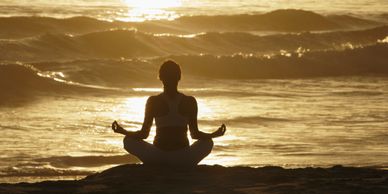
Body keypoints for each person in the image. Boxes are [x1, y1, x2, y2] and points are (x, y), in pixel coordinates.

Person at [112, 60, 226, 166]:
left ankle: (157, 164)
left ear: (161, 77)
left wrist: (123, 131)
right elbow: (195, 134)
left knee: (127, 140)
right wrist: (214, 134)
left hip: (158, 157)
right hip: (184, 158)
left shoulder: (153, 101)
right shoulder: (189, 101)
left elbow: (144, 134)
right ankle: (181, 165)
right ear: (179, 77)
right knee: (208, 142)